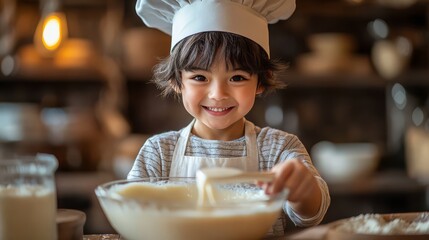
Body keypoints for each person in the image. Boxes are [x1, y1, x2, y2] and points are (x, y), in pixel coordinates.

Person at [128, 0, 330, 236]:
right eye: (200, 78)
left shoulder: (277, 149)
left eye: (237, 78)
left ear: (261, 82)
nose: (218, 95)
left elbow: (311, 214)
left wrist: (303, 190)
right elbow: (132, 215)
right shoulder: (159, 153)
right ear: (176, 81)